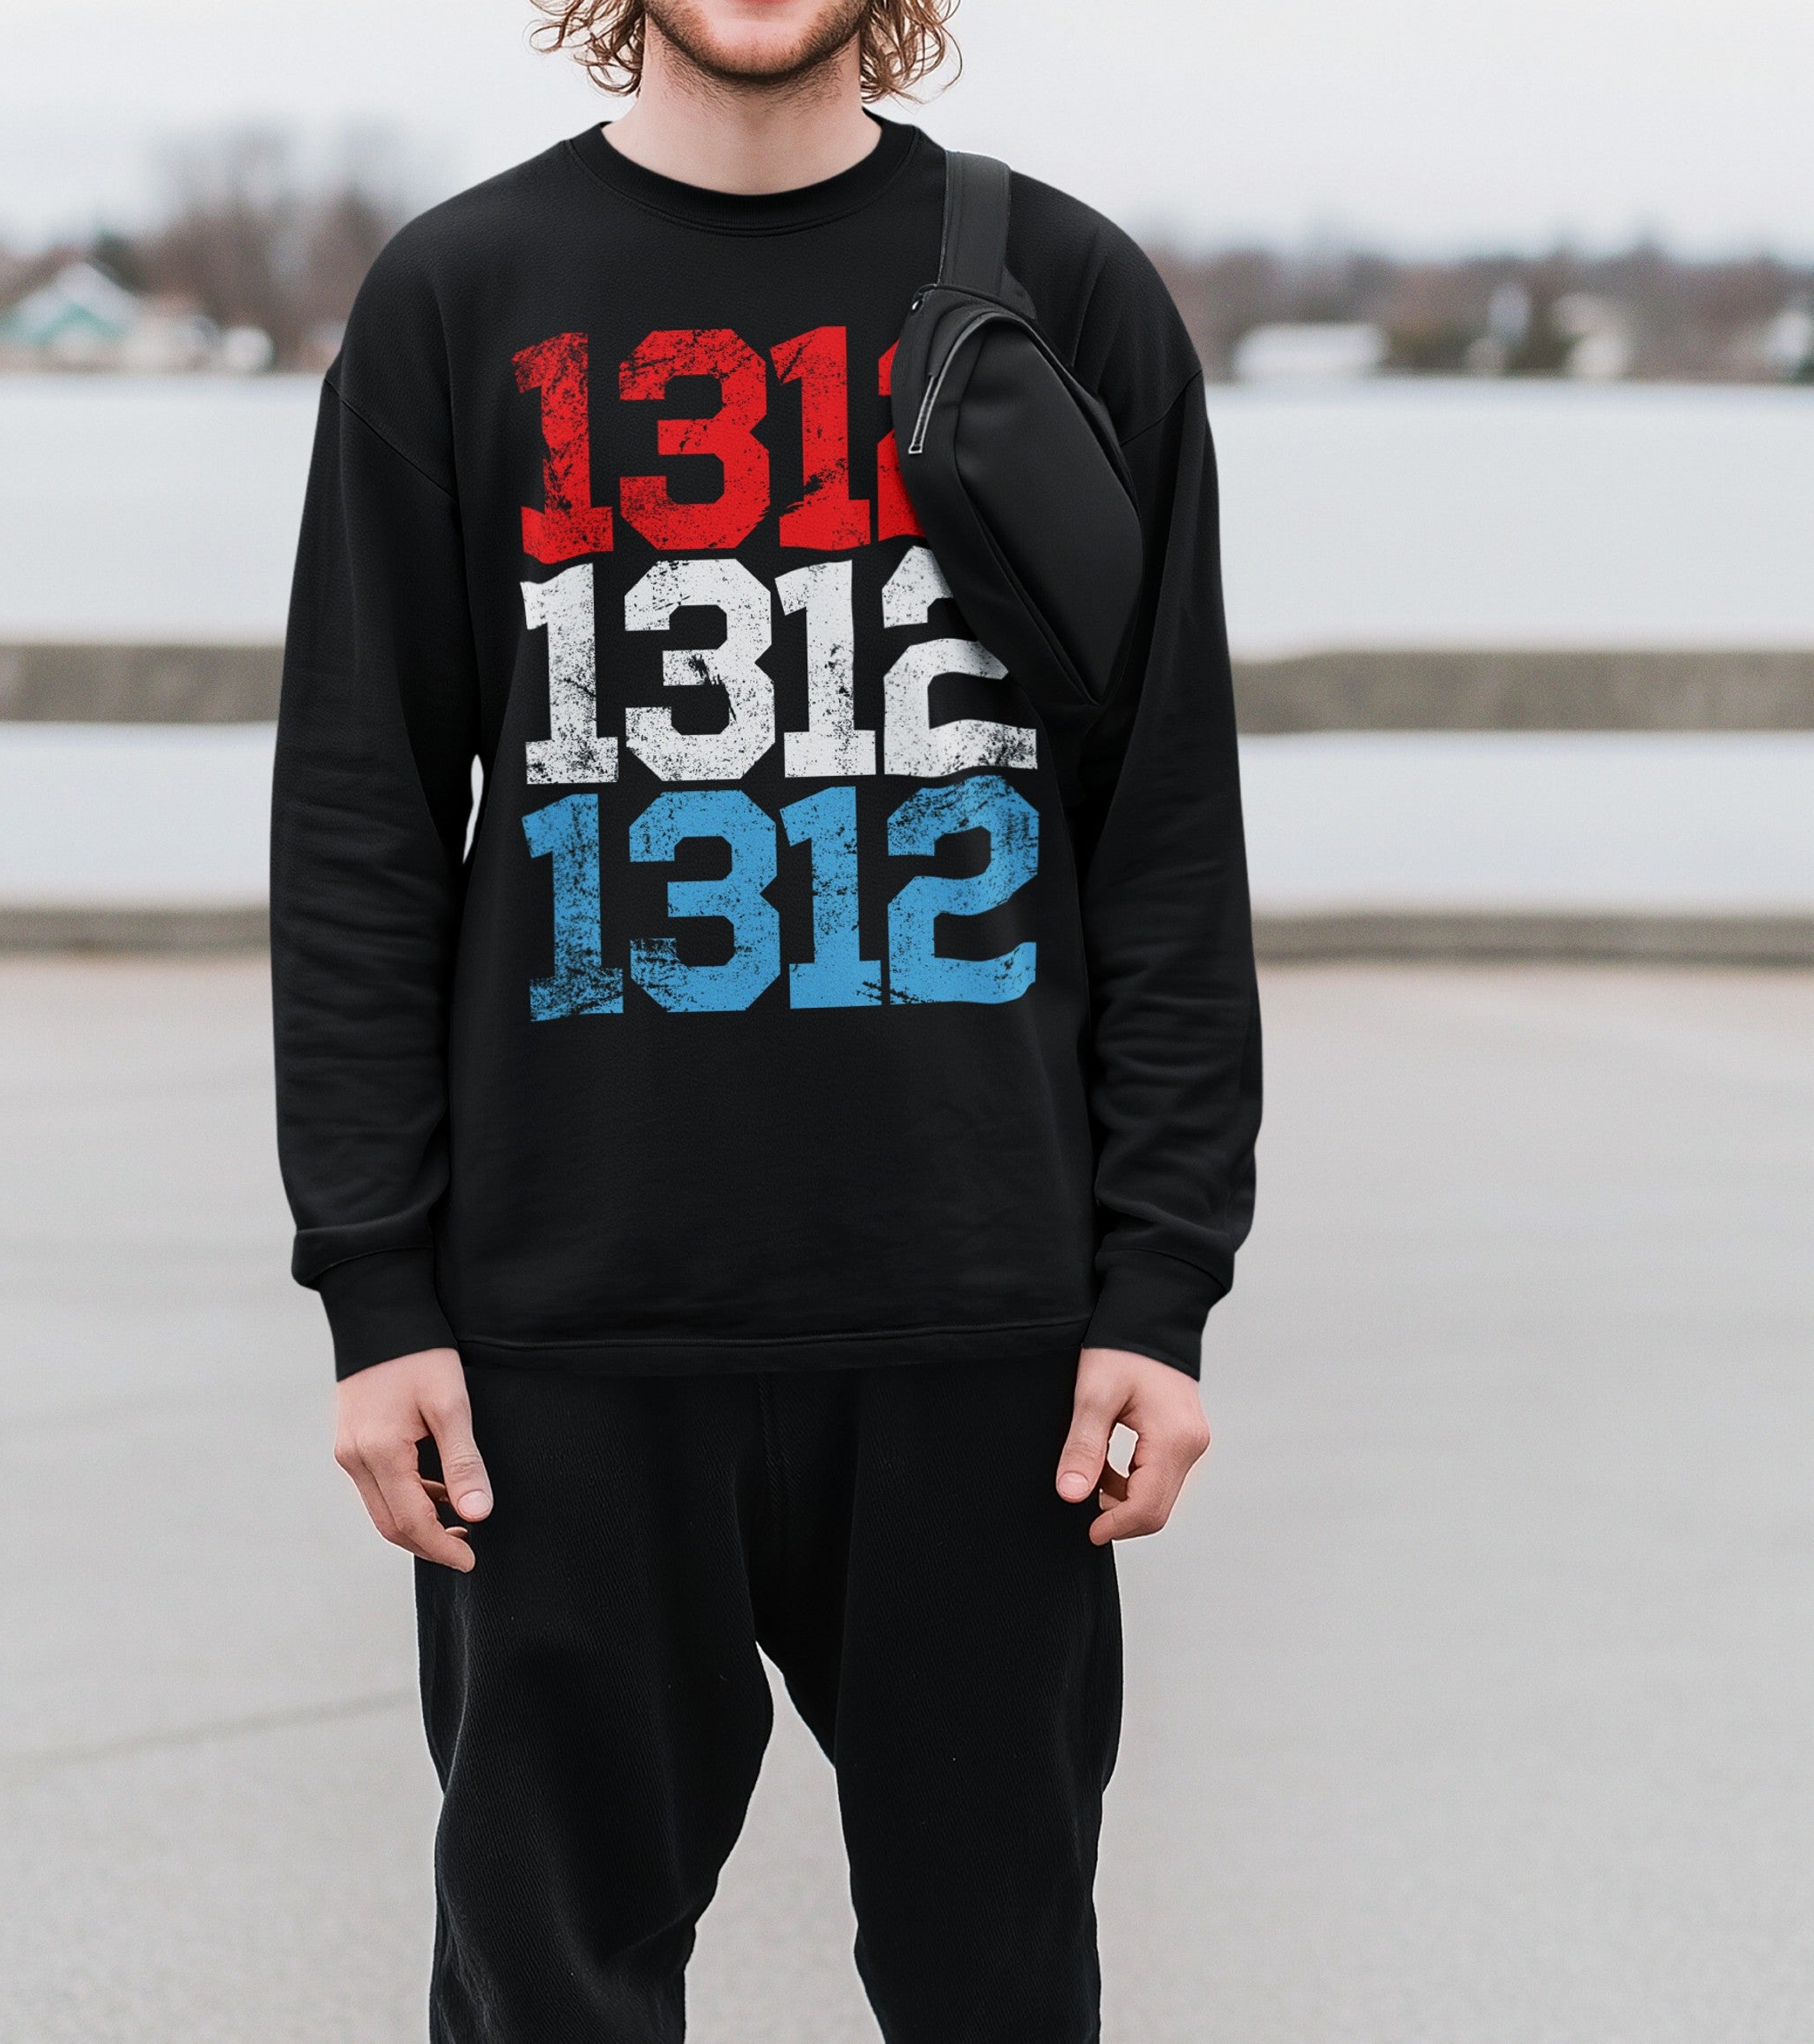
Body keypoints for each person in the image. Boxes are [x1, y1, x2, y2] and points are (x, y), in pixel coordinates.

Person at [269, 1, 1260, 2035]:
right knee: (547, 1992)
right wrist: (378, 1293)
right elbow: (360, 829)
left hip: (986, 1335)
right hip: (565, 1343)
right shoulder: (462, 297)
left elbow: (1160, 828)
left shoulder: (1068, 293)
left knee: (1000, 1985)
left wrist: (1158, 1284)